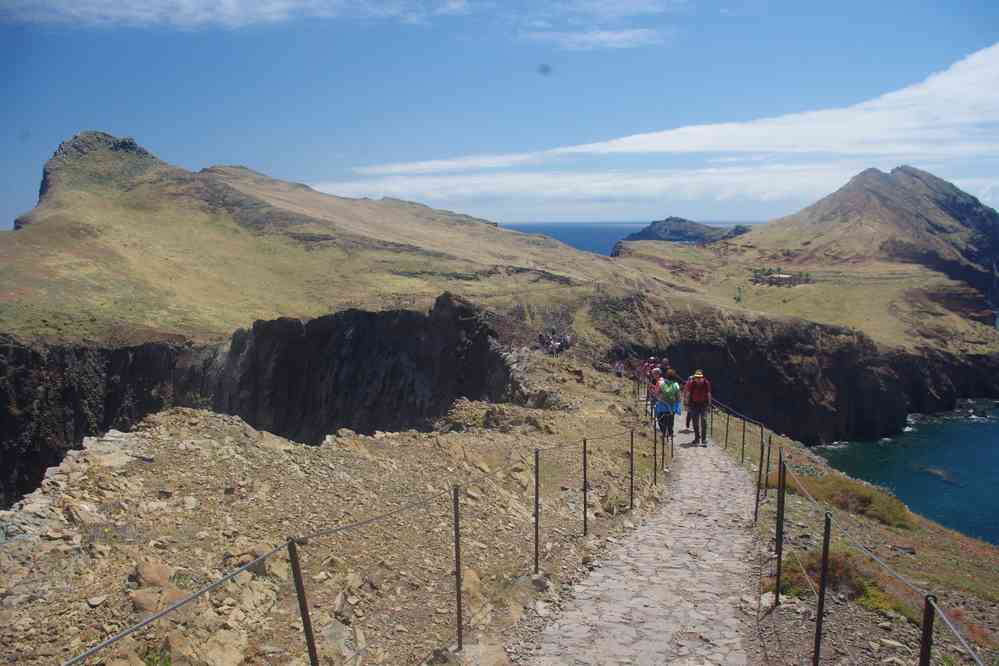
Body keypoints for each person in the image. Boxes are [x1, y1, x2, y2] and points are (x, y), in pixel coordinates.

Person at [655, 369, 682, 443]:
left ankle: (663, 433)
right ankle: (670, 433)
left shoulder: (661, 383)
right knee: (671, 420)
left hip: (662, 405)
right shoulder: (676, 385)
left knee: (661, 420)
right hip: (671, 406)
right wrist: (677, 404)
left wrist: (659, 398)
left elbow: (657, 393)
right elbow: (679, 397)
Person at [687, 369, 712, 445]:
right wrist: (687, 404)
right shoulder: (692, 383)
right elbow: (688, 394)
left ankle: (704, 439)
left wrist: (709, 405)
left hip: (704, 404)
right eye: (696, 377)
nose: (698, 379)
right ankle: (697, 438)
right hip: (694, 404)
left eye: (699, 377)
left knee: (704, 421)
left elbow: (709, 394)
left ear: (702, 377)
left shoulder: (706, 383)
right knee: (695, 422)